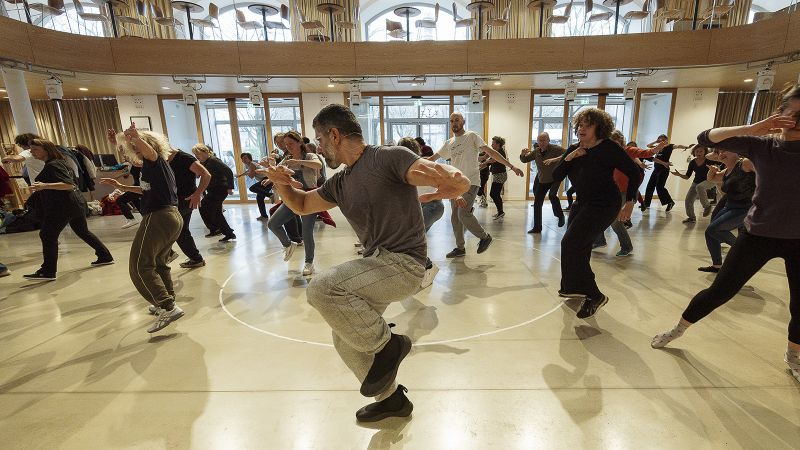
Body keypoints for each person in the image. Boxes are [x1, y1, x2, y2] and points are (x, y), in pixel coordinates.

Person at [262, 103, 469, 423]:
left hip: (404, 265)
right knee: (344, 339)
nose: (316, 145)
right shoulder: (340, 182)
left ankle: (390, 346)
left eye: (319, 138)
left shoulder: (388, 157)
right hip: (376, 265)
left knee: (321, 288)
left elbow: (447, 178)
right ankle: (392, 401)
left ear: (334, 134)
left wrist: (449, 179)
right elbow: (302, 204)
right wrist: (281, 182)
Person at [651, 85, 800, 383]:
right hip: (758, 234)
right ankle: (678, 329)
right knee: (720, 290)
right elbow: (705, 137)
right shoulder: (763, 146)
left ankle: (794, 356)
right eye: (791, 113)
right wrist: (757, 127)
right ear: (779, 114)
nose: (795, 121)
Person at [550, 108, 640, 319]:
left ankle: (594, 294)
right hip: (583, 203)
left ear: (599, 128)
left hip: (605, 204)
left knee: (570, 243)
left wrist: (630, 203)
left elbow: (634, 172)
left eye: (587, 125)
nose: (581, 129)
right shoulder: (574, 149)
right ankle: (572, 287)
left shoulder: (609, 148)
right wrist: (570, 156)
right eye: (579, 125)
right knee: (578, 246)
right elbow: (556, 175)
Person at [101, 125, 185, 333]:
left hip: (158, 217)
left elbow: (149, 152)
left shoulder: (154, 160)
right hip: (170, 217)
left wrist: (137, 138)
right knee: (158, 263)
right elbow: (146, 189)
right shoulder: (153, 168)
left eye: (136, 147)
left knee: (140, 266)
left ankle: (167, 306)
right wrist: (123, 187)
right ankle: (166, 302)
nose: (135, 151)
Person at [428, 112, 524, 258]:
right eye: (452, 120)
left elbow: (491, 152)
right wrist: (414, 165)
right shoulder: (449, 143)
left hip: (471, 182)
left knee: (463, 213)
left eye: (457, 120)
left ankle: (485, 237)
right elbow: (433, 158)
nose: (454, 123)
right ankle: (460, 248)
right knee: (455, 218)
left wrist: (512, 167)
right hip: (455, 185)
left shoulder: (471, 136)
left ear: (463, 121)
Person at [24, 139, 113, 281]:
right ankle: (105, 255)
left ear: (46, 150)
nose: (32, 152)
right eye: (31, 149)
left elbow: (68, 185)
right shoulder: (59, 162)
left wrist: (44, 185)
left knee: (47, 235)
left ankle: (48, 271)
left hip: (63, 206)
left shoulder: (53, 165)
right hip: (74, 204)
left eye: (35, 149)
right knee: (83, 232)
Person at [593, 131, 665, 256]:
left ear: (621, 143)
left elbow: (644, 153)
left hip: (627, 191)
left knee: (615, 220)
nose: (612, 146)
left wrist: (655, 149)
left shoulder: (628, 150)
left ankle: (627, 246)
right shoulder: (607, 153)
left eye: (615, 143)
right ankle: (599, 240)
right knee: (599, 214)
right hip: (612, 191)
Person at [266, 131, 323, 276]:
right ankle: (288, 244)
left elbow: (318, 165)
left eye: (290, 143)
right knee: (273, 223)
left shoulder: (309, 156)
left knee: (306, 232)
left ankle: (309, 263)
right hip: (293, 198)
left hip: (310, 198)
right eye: (285, 144)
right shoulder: (286, 159)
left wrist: (299, 162)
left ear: (299, 142)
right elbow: (277, 172)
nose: (288, 147)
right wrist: (271, 179)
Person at [696, 149, 755, 273]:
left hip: (745, 208)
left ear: (736, 152)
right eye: (719, 152)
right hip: (730, 206)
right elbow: (712, 179)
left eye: (725, 151)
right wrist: (711, 171)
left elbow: (766, 172)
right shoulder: (728, 170)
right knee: (709, 233)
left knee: (714, 229)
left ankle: (745, 253)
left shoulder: (745, 163)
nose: (721, 154)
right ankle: (717, 266)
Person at [399, 137, 443, 289]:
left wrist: (455, 194)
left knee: (411, 239)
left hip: (433, 206)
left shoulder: (424, 164)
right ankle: (418, 269)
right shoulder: (404, 168)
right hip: (421, 207)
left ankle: (428, 267)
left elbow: (446, 180)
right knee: (411, 239)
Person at [521, 132, 566, 233]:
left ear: (548, 140)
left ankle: (560, 216)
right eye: (540, 140)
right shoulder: (536, 151)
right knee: (537, 204)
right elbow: (525, 160)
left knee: (552, 195)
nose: (542, 142)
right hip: (543, 179)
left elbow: (568, 154)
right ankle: (537, 227)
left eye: (544, 140)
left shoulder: (556, 149)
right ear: (537, 141)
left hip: (555, 178)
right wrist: (522, 154)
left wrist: (555, 159)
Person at [192, 144, 236, 243]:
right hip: (214, 189)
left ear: (205, 152)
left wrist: (230, 187)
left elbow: (228, 171)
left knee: (204, 206)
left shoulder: (213, 160)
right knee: (216, 212)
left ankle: (215, 229)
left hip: (220, 188)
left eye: (198, 153)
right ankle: (228, 232)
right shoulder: (205, 162)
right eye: (195, 154)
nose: (196, 156)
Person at [641, 134, 689, 211]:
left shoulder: (670, 146)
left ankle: (670, 202)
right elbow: (648, 145)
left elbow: (678, 146)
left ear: (667, 140)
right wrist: (656, 141)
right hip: (656, 169)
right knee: (650, 185)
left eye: (663, 140)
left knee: (659, 187)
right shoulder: (657, 147)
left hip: (664, 169)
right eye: (660, 140)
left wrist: (686, 147)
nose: (662, 141)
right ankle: (646, 203)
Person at [671, 145, 717, 223]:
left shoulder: (709, 160)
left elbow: (722, 163)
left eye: (701, 151)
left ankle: (707, 206)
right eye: (697, 151)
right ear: (694, 152)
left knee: (700, 187)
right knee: (688, 200)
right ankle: (691, 217)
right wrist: (679, 174)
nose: (699, 153)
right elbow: (687, 176)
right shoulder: (692, 162)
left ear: (705, 152)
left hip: (710, 180)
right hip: (696, 182)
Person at [238, 152, 271, 221]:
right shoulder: (250, 165)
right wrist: (241, 175)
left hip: (266, 180)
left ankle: (271, 195)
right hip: (264, 180)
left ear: (249, 158)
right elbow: (248, 172)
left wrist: (248, 173)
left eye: (245, 158)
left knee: (252, 188)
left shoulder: (252, 164)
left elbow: (251, 176)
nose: (243, 160)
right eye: (242, 159)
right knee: (259, 198)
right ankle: (264, 216)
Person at [485, 136, 508, 221]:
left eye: (493, 143)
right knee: (495, 194)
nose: (491, 144)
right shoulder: (496, 151)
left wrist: (486, 161)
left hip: (500, 175)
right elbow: (489, 162)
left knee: (493, 194)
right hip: (498, 175)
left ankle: (501, 212)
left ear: (498, 144)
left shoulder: (500, 152)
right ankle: (500, 211)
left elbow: (493, 160)